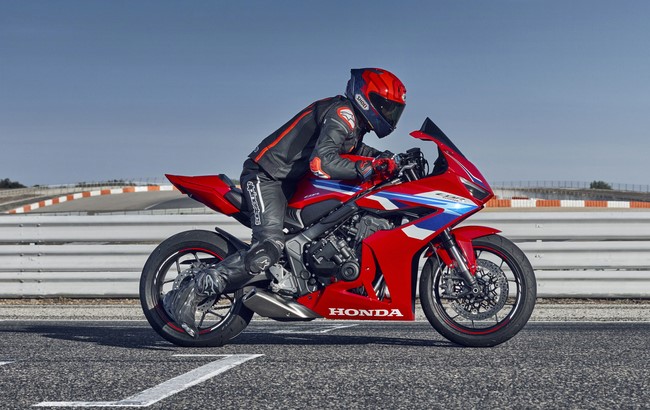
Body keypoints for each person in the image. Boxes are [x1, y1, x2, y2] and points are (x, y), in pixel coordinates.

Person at [165, 68, 407, 337]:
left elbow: (354, 150)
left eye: (394, 110)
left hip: (290, 183)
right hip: (266, 176)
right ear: (366, 98)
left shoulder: (353, 125)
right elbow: (322, 161)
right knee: (268, 248)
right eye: (386, 107)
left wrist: (388, 160)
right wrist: (367, 168)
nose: (389, 115)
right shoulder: (342, 114)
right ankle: (191, 291)